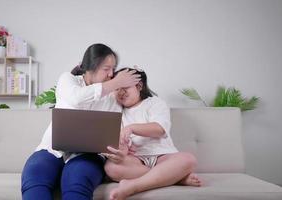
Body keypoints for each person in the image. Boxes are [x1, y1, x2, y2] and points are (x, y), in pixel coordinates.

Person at [21, 44, 141, 200]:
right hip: (51, 150)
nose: (112, 74)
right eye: (106, 69)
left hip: (88, 156)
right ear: (91, 67)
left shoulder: (112, 96)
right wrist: (116, 83)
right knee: (34, 179)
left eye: (113, 68)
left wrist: (117, 152)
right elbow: (77, 99)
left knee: (76, 183)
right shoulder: (68, 80)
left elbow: (114, 130)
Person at [103, 67, 202, 200]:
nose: (121, 92)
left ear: (139, 86)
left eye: (125, 88)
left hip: (162, 157)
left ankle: (133, 186)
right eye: (117, 88)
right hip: (137, 160)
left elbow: (159, 129)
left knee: (188, 159)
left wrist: (132, 128)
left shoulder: (154, 103)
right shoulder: (117, 110)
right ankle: (175, 178)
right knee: (111, 168)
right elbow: (122, 144)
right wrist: (122, 150)